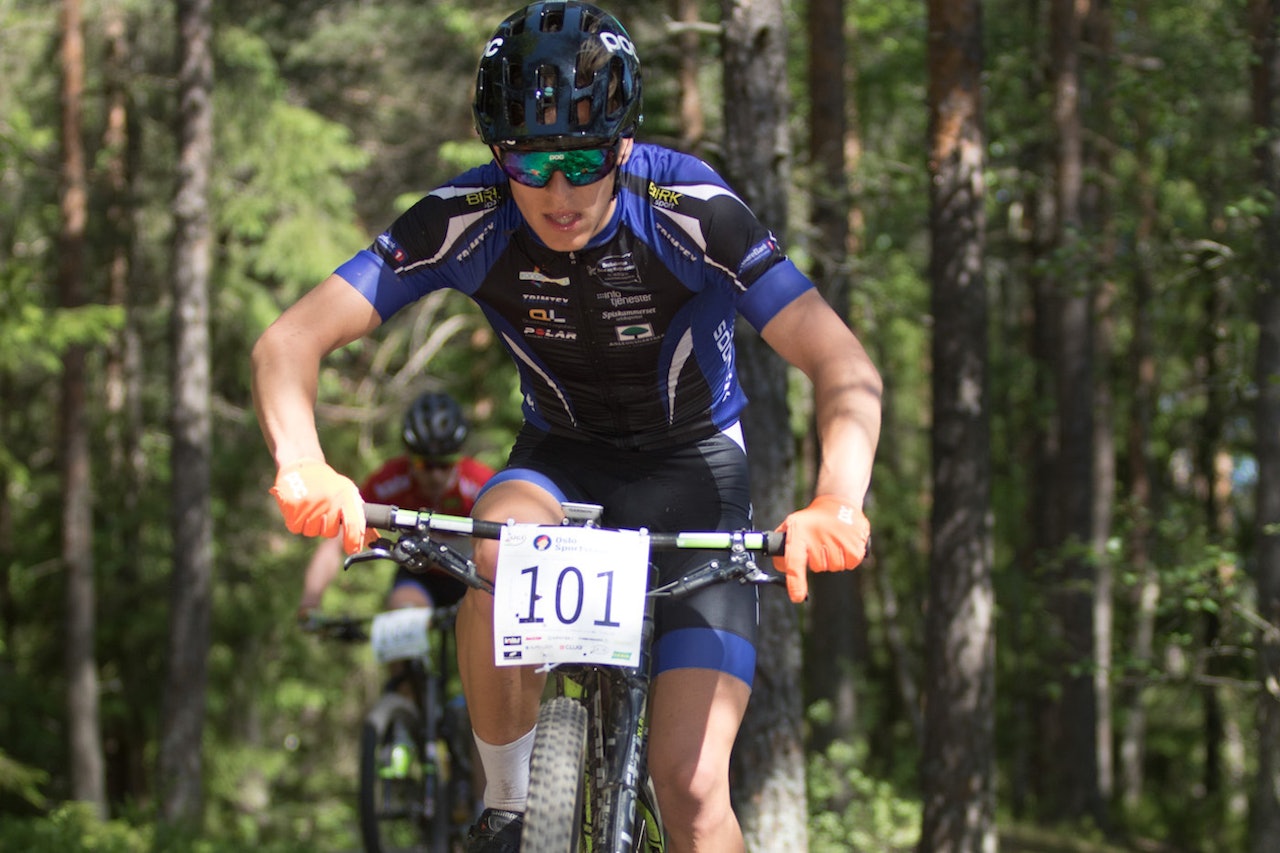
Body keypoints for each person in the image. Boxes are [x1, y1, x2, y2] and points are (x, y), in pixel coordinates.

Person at [251, 3, 881, 851]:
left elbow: (844, 367)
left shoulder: (689, 206)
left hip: (696, 472)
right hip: (563, 463)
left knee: (694, 793)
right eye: (528, 160)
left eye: (583, 159)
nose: (557, 191)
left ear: (623, 144)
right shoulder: (468, 214)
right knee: (497, 543)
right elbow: (289, 341)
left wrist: (838, 498)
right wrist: (306, 463)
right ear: (494, 153)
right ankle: (508, 809)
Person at [296, 391, 496, 620]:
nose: (435, 476)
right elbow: (336, 539)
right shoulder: (390, 481)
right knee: (401, 622)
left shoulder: (480, 483)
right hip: (420, 576)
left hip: (473, 576)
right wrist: (310, 601)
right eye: (424, 464)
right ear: (409, 457)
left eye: (445, 464)